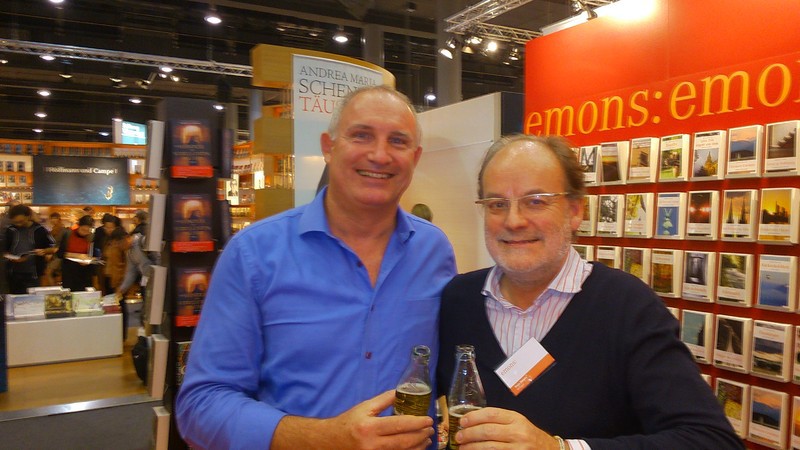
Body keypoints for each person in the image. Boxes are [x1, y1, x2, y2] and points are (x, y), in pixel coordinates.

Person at [176, 85, 457, 450]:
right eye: (361, 135)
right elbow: (201, 405)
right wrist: (325, 438)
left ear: (415, 157)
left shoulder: (434, 251)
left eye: (398, 141)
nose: (379, 155)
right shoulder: (254, 254)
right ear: (328, 147)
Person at [437, 135, 743, 449]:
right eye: (497, 204)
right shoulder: (458, 300)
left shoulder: (626, 306)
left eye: (536, 201)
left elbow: (712, 440)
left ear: (574, 211)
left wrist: (561, 448)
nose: (513, 220)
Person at [3, 204, 56, 294]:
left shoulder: (40, 230)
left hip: (34, 274)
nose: (18, 224)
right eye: (15, 222)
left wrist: (44, 251)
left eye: (21, 221)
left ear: (28, 216)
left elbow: (53, 246)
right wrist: (10, 257)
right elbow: (4, 249)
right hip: (13, 273)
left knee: (33, 298)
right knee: (15, 298)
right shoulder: (10, 230)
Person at [57, 215, 96, 292]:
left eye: (88, 230)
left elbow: (95, 255)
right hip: (69, 273)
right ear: (79, 226)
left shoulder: (91, 237)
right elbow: (60, 253)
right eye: (83, 229)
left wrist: (89, 260)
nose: (85, 232)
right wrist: (76, 256)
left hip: (85, 273)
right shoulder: (68, 234)